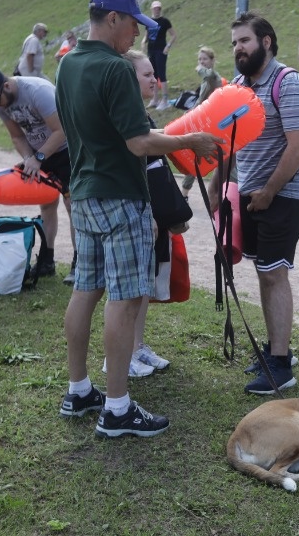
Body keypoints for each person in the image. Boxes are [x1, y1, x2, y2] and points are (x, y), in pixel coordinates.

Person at [55, 0, 222, 438]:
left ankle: (78, 390)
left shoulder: (69, 63)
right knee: (126, 298)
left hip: (84, 192)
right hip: (120, 195)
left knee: (85, 289)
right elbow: (138, 142)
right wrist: (190, 140)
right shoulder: (115, 68)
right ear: (112, 19)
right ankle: (117, 408)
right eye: (133, 24)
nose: (138, 34)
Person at [210, 12, 299, 395]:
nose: (238, 48)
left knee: (273, 273)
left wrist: (269, 191)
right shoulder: (237, 87)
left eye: (245, 41)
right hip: (251, 193)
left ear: (266, 42)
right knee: (264, 271)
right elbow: (228, 144)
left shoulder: (289, 83)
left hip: (283, 194)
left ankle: (280, 365)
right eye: (234, 42)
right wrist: (216, 187)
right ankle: (275, 349)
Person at [105, 48, 187, 378]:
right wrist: (149, 212)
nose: (154, 79)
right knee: (126, 290)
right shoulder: (123, 113)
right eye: (147, 74)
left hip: (151, 210)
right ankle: (117, 358)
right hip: (137, 209)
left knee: (143, 286)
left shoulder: (140, 111)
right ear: (128, 78)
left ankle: (136, 346)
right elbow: (135, 162)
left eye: (154, 73)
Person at [0, 68, 77, 284]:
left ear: (6, 86)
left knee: (73, 205)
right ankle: (46, 260)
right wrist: (28, 158)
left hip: (68, 150)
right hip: (40, 153)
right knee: (46, 204)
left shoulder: (37, 91)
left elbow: (62, 130)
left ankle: (79, 264)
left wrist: (38, 157)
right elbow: (17, 136)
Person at [181, 46, 225, 199]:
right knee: (199, 156)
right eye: (199, 59)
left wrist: (200, 69)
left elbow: (209, 75)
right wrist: (191, 111)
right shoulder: (207, 79)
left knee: (215, 157)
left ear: (212, 60)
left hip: (212, 123)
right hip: (205, 122)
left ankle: (224, 193)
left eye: (205, 59)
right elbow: (202, 101)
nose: (201, 62)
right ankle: (185, 193)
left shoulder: (212, 77)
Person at [140, 0, 176, 110]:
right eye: (155, 8)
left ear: (160, 9)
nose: (157, 10)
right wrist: (143, 42)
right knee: (153, 75)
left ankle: (165, 100)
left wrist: (168, 46)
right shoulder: (148, 21)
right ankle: (155, 99)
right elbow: (147, 35)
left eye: (158, 8)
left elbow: (173, 35)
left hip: (161, 51)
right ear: (152, 9)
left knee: (162, 74)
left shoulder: (165, 21)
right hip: (151, 51)